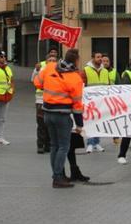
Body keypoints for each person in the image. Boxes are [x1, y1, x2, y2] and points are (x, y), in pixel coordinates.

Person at [37, 48, 85, 188]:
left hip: (47, 112)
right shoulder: (75, 78)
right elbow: (77, 105)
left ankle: (57, 175)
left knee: (54, 146)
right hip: (62, 115)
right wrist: (79, 124)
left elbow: (38, 83)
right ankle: (58, 177)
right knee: (63, 146)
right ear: (76, 61)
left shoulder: (50, 67)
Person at [83, 52, 112, 153]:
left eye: (101, 57)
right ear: (93, 58)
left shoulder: (104, 71)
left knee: (99, 122)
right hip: (90, 102)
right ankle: (90, 143)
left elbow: (108, 85)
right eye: (98, 57)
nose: (100, 59)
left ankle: (96, 142)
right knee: (91, 123)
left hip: (101, 101)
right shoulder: (86, 70)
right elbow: (82, 85)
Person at [31, 51, 58, 154]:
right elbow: (34, 81)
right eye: (50, 60)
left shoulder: (59, 72)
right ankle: (40, 145)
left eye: (54, 60)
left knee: (50, 124)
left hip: (53, 101)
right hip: (41, 100)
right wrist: (37, 71)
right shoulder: (41, 70)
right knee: (41, 123)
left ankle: (49, 144)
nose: (52, 62)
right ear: (46, 62)